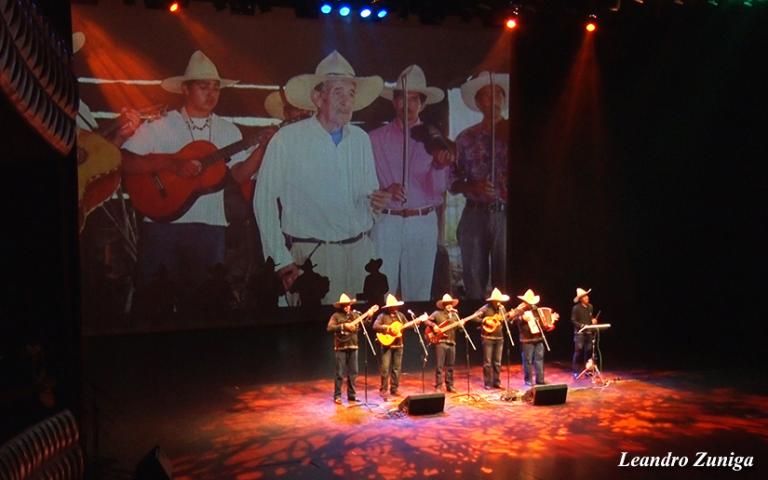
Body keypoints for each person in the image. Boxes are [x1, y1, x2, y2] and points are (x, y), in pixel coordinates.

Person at [121, 51, 271, 306]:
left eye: (216, 88)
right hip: (160, 228)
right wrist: (171, 163)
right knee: (154, 305)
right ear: (185, 89)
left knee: (206, 304)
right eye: (204, 87)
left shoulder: (227, 130)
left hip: (210, 227)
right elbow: (125, 161)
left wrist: (262, 148)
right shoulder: (161, 125)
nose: (211, 94)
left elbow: (238, 175)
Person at [254, 51, 391, 305]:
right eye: (338, 92)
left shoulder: (360, 140)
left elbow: (369, 198)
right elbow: (263, 200)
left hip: (361, 257)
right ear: (318, 97)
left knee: (362, 334)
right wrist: (281, 260)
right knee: (314, 339)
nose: (347, 101)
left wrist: (377, 204)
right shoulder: (287, 140)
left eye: (351, 93)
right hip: (313, 259)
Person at [369, 65, 453, 301]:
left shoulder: (434, 138)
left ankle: (414, 337)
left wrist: (439, 165)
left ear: (423, 104)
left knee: (418, 294)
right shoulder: (374, 139)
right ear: (395, 102)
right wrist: (386, 190)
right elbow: (364, 183)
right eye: (403, 98)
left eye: (415, 99)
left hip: (422, 220)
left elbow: (438, 190)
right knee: (382, 291)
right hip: (387, 221)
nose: (409, 105)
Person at [451, 72, 510, 299]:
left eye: (498, 95)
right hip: (474, 215)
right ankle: (476, 329)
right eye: (487, 96)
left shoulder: (515, 132)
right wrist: (471, 186)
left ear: (504, 100)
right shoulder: (466, 138)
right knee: (474, 279)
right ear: (478, 103)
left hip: (506, 216)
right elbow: (452, 181)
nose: (493, 101)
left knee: (506, 279)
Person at [473, 288, 526, 389]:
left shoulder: (502, 309)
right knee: (487, 362)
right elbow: (474, 317)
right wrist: (484, 320)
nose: (499, 302)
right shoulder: (485, 308)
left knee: (497, 362)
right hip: (487, 338)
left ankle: (496, 382)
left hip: (499, 338)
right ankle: (487, 383)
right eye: (497, 300)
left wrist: (512, 315)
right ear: (492, 300)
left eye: (500, 300)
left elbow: (506, 320)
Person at [510, 289, 559, 386]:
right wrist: (521, 318)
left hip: (539, 338)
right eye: (529, 302)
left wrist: (551, 320)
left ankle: (540, 380)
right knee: (527, 361)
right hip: (526, 339)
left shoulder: (536, 309)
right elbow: (511, 321)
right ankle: (528, 380)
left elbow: (542, 324)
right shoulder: (519, 310)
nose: (530, 304)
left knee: (539, 359)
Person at [326, 293, 364, 405]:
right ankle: (337, 396)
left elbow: (364, 324)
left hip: (353, 346)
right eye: (345, 305)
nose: (348, 307)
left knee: (353, 372)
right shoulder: (336, 316)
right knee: (340, 373)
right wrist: (343, 326)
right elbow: (329, 328)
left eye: (349, 305)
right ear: (341, 306)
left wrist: (370, 315)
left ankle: (352, 395)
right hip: (341, 347)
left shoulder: (355, 315)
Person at [372, 294, 410, 398]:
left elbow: (407, 325)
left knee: (396, 368)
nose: (395, 307)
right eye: (393, 306)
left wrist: (416, 322)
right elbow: (375, 326)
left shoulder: (400, 315)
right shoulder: (382, 316)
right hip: (386, 345)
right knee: (385, 368)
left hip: (398, 345)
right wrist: (388, 329)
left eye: (395, 306)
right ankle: (384, 389)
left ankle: (394, 389)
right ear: (389, 307)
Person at [427, 293, 466, 393]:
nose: (449, 305)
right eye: (447, 303)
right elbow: (426, 321)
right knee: (439, 366)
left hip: (452, 342)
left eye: (451, 303)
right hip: (441, 342)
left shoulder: (455, 315)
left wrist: (461, 326)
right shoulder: (437, 313)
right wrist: (433, 325)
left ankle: (450, 385)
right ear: (444, 305)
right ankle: (438, 386)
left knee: (450, 366)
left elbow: (459, 329)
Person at [571, 287, 598, 379]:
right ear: (581, 299)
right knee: (578, 351)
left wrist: (593, 320)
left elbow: (590, 318)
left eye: (587, 296)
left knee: (589, 351)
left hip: (589, 333)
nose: (587, 298)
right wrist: (582, 325)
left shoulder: (591, 307)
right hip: (580, 334)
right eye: (585, 296)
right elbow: (573, 320)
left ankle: (588, 370)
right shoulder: (576, 308)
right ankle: (575, 371)